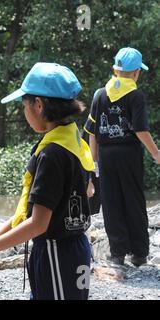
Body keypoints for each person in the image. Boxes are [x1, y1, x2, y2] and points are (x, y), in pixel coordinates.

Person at [0, 62, 95, 300]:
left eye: (24, 105)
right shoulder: (73, 139)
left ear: (39, 105)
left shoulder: (52, 154)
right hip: (74, 249)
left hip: (55, 253)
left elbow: (38, 224)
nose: (24, 112)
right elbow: (47, 205)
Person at [84, 47, 160, 267]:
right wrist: (155, 153)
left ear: (115, 70)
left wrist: (94, 164)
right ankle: (139, 253)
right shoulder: (135, 96)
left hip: (106, 156)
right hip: (129, 155)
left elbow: (92, 132)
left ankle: (117, 253)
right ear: (136, 73)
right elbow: (140, 130)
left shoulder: (100, 94)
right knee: (134, 200)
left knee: (111, 201)